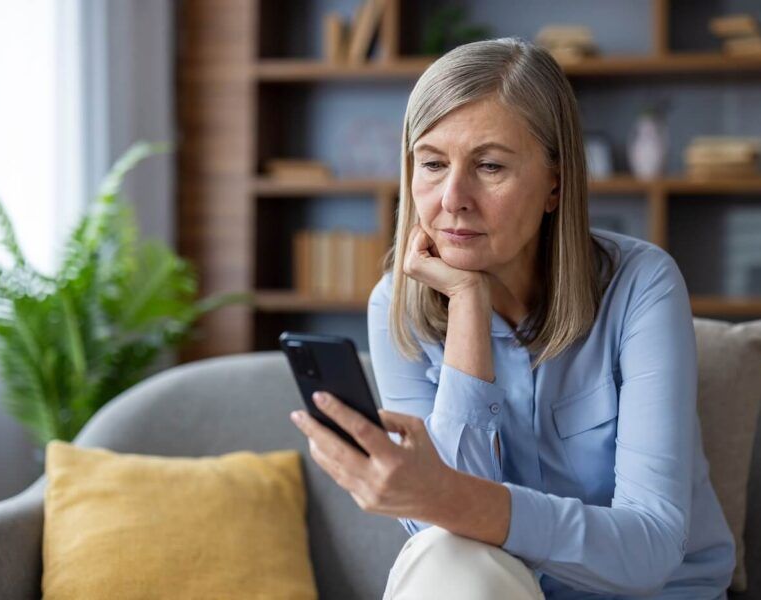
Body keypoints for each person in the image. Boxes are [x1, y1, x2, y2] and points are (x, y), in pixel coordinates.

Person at [289, 37, 736, 599]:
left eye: (490, 166)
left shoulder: (642, 285)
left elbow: (650, 548)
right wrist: (468, 308)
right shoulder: (395, 305)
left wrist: (445, 495)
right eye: (431, 163)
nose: (453, 197)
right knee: (446, 552)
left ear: (555, 182)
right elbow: (448, 544)